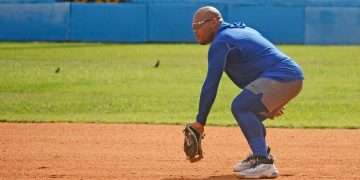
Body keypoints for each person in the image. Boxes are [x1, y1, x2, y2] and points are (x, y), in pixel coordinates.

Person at [190, 6, 304, 179]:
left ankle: (263, 162)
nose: (196, 31)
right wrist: (272, 99)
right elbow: (262, 62)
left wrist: (200, 122)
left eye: (198, 25)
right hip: (287, 77)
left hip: (282, 76)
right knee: (251, 112)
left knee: (241, 107)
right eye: (193, 28)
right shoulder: (240, 30)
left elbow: (211, 83)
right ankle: (261, 154)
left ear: (213, 22)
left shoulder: (222, 41)